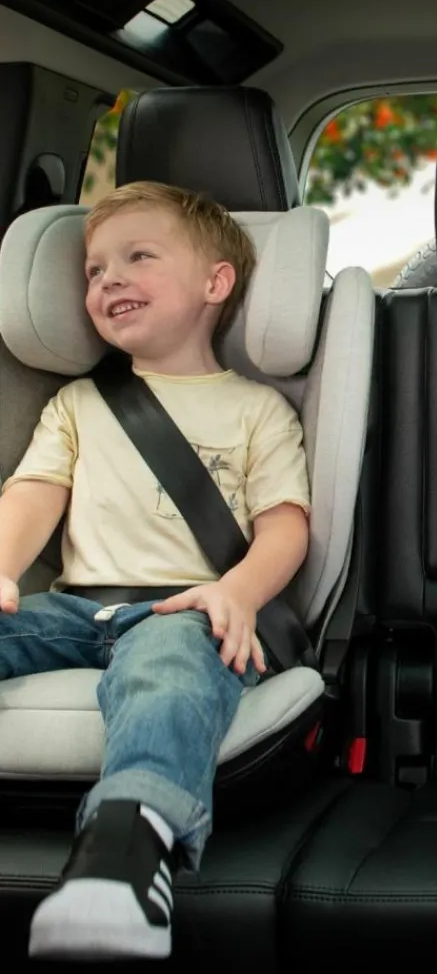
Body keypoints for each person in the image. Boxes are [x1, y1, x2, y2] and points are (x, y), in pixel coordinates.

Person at [0, 181, 311, 960]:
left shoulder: (257, 410)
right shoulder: (77, 403)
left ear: (215, 283)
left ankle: (127, 856)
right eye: (94, 270)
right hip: (71, 610)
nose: (107, 279)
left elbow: (285, 526)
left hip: (186, 610)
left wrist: (238, 593)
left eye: (138, 257)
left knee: (167, 669)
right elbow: (32, 497)